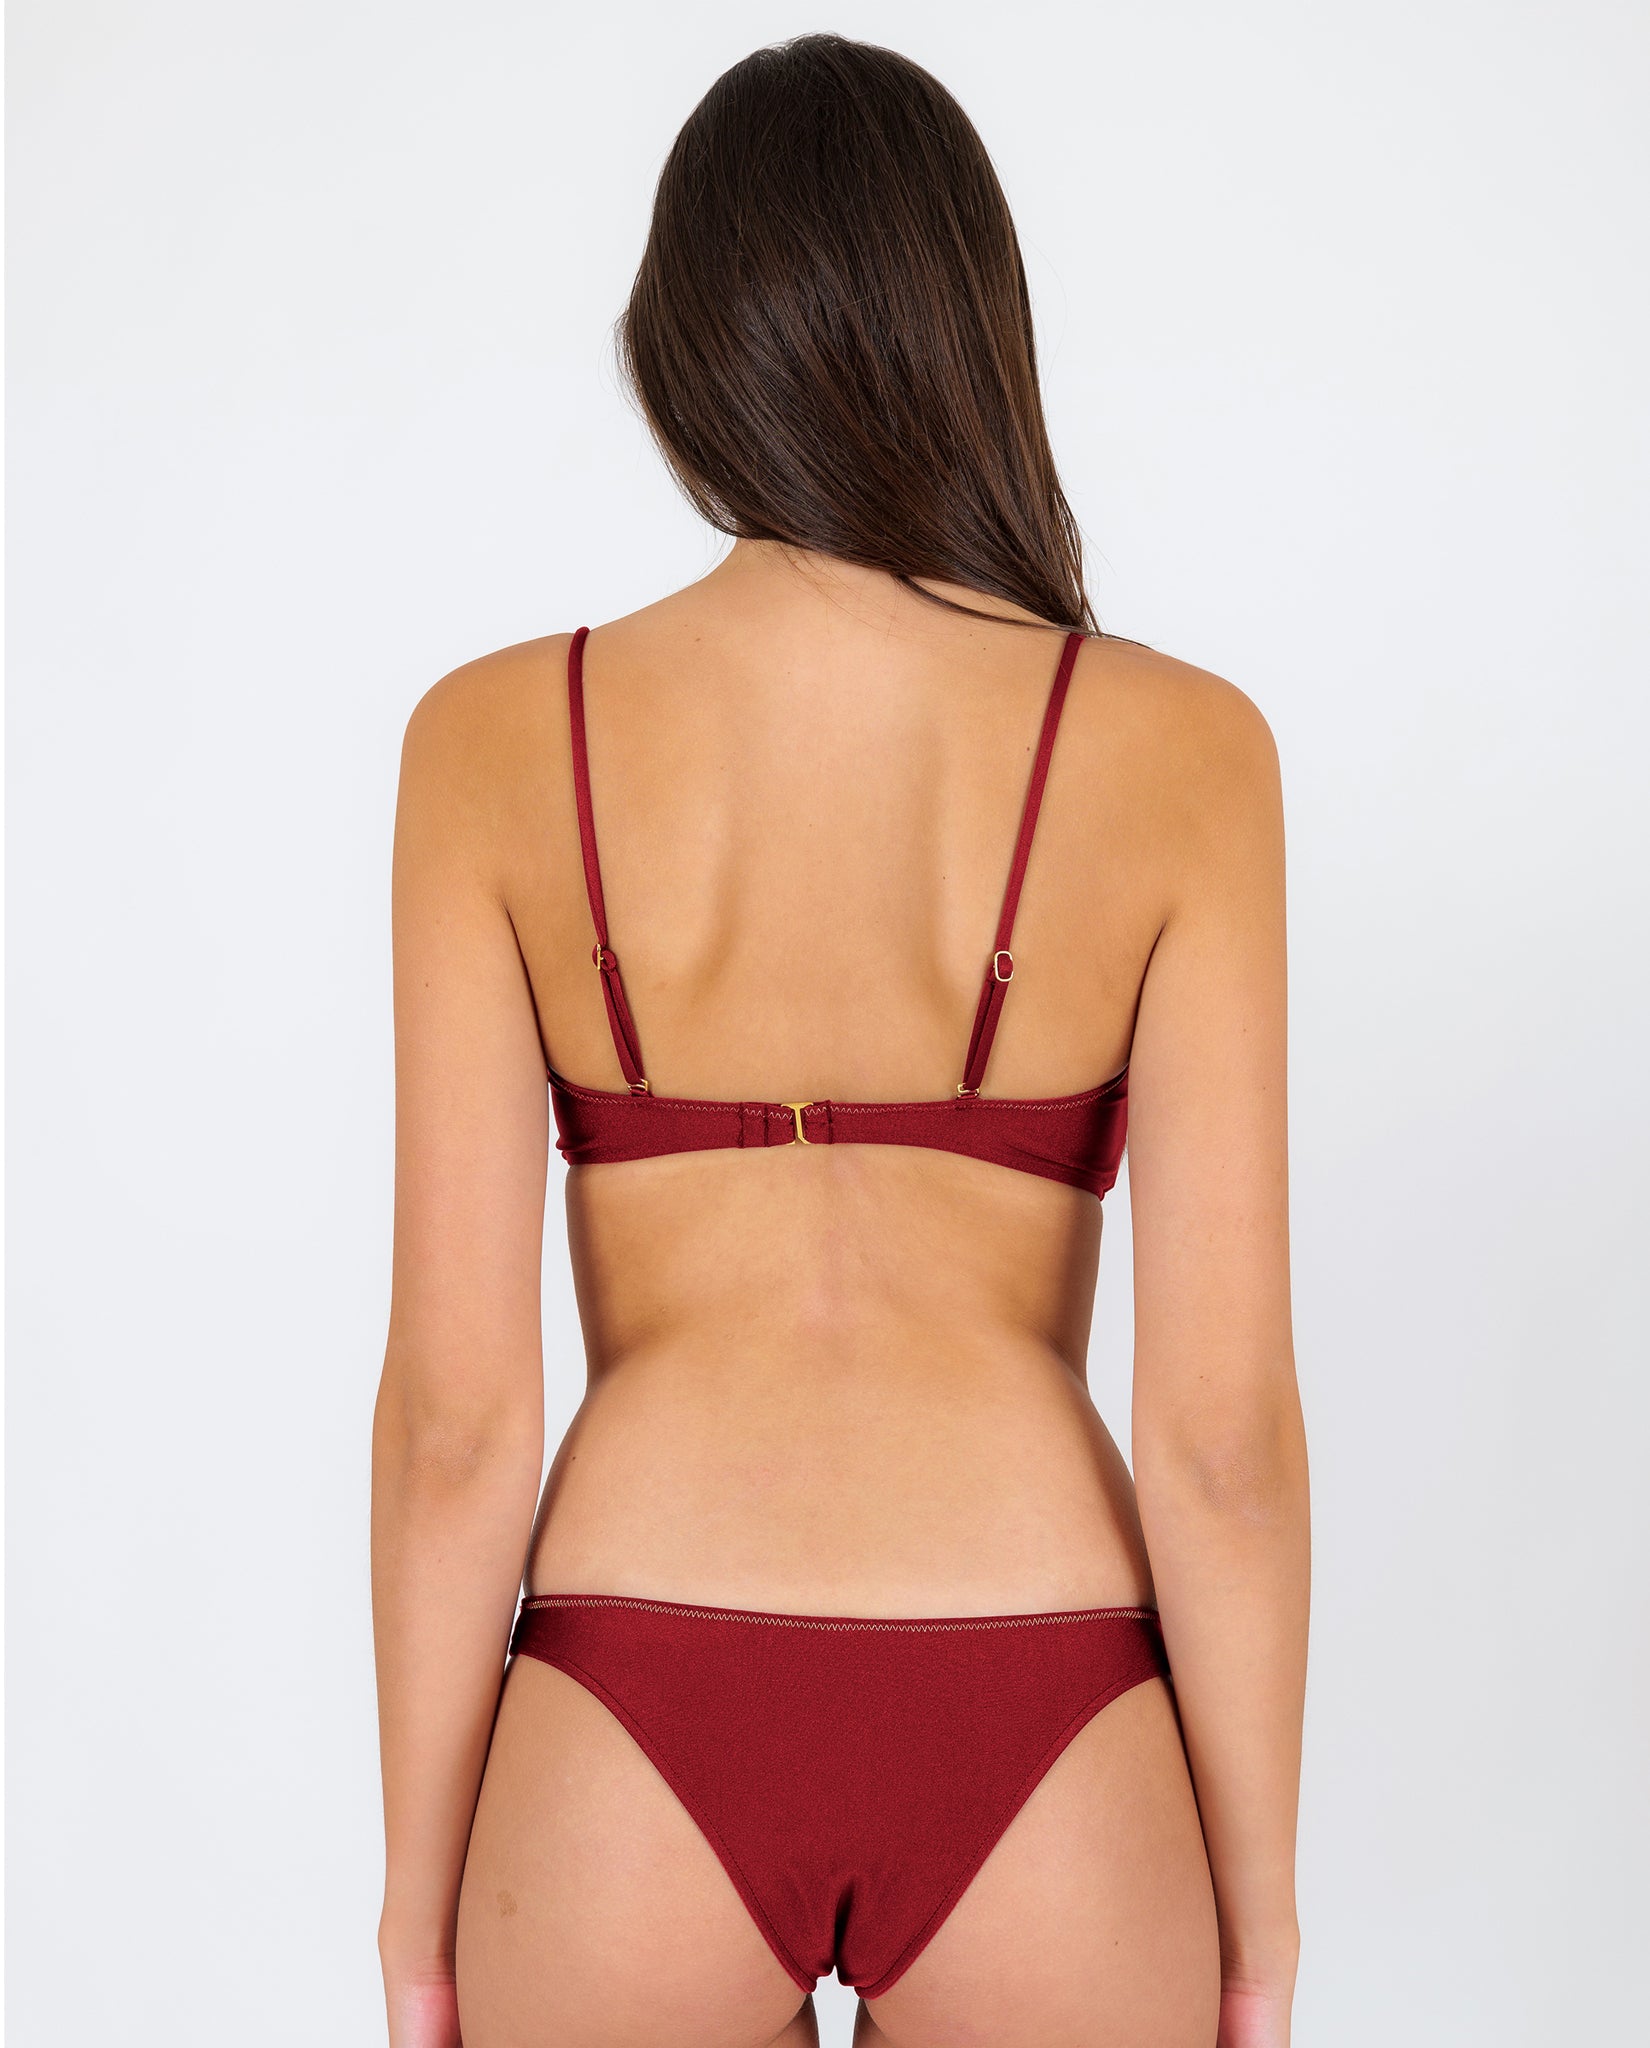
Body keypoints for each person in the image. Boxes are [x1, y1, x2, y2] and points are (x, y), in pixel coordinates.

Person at [371, 33, 1308, 2048]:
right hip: (1046, 1703)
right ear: (973, 329)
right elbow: (1221, 1441)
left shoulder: (491, 745)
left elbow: (455, 1422)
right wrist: (1254, 1928)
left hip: (625, 1706)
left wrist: (419, 1917)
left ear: (683, 345)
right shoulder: (1185, 752)